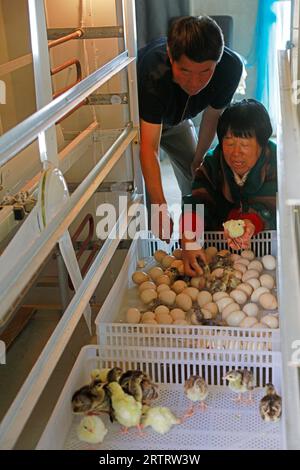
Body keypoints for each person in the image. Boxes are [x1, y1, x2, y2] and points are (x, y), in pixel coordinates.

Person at [137, 15, 243, 239]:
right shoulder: (153, 71)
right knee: (142, 189)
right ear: (170, 56)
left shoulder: (230, 68)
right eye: (185, 71)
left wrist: (199, 156)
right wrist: (160, 208)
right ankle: (147, 236)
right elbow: (148, 148)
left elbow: (213, 115)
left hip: (178, 121)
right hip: (141, 124)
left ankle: (198, 235)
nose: (195, 83)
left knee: (196, 173)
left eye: (205, 72)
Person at [181, 99, 277, 276]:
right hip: (219, 248)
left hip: (265, 249)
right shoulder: (212, 164)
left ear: (262, 144)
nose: (236, 153)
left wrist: (251, 222)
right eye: (229, 143)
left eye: (245, 145)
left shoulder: (276, 164)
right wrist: (189, 240)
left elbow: (273, 209)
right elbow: (196, 203)